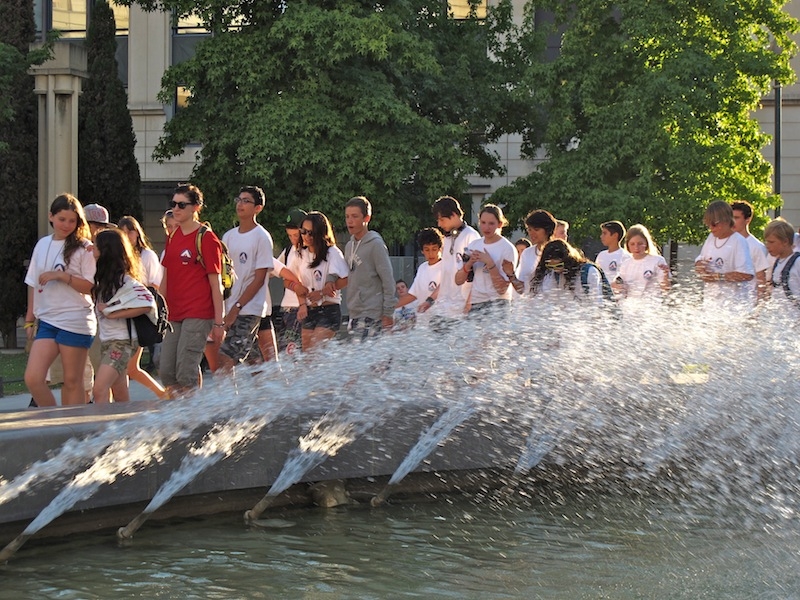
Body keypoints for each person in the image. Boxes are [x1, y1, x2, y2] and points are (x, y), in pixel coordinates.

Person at [23, 194, 96, 407]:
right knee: (33, 378)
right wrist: (29, 319)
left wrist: (63, 276)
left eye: (72, 221)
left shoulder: (84, 248)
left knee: (72, 381)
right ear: (51, 217)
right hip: (47, 320)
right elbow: (33, 283)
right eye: (62, 219)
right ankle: (54, 422)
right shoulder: (43, 244)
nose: (67, 225)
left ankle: (70, 431)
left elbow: (91, 287)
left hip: (75, 319)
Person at [159, 183, 225, 394]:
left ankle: (193, 422)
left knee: (185, 373)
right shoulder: (173, 236)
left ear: (196, 207)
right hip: (174, 313)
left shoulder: (206, 238)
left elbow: (216, 284)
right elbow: (166, 277)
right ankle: (181, 417)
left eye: (181, 205)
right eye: (173, 204)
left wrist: (219, 322)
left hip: (198, 312)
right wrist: (160, 312)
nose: (176, 209)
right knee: (167, 372)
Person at [91, 229, 154, 403]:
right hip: (108, 341)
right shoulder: (103, 281)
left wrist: (114, 313)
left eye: (95, 246)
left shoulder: (125, 281)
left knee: (99, 389)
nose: (92, 249)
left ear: (105, 251)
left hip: (122, 343)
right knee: (119, 393)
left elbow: (147, 303)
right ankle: (125, 425)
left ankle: (101, 428)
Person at [218, 186, 275, 369]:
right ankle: (264, 392)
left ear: (258, 208)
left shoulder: (262, 237)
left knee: (226, 357)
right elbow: (223, 274)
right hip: (229, 306)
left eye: (246, 201)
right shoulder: (228, 236)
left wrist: (236, 308)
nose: (240, 204)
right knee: (255, 362)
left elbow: (258, 279)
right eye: (239, 199)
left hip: (249, 309)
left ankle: (228, 398)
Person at [118, 215, 166, 398]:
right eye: (123, 231)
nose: (128, 235)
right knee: (127, 367)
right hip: (122, 314)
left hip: (140, 314)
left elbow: (155, 285)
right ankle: (162, 393)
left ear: (138, 233)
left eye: (131, 230)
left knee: (129, 366)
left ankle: (162, 393)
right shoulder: (120, 257)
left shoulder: (147, 255)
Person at [344, 196, 396, 339]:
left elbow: (388, 279)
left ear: (366, 218)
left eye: (355, 216)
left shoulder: (375, 244)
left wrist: (388, 312)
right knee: (366, 360)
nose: (350, 221)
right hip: (354, 312)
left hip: (372, 313)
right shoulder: (349, 246)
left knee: (362, 360)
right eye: (347, 216)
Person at [296, 211, 349, 351]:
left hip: (329, 309)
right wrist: (301, 301)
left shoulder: (332, 252)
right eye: (303, 231)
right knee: (307, 356)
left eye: (311, 233)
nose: (306, 236)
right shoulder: (301, 253)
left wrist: (322, 292)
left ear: (320, 233)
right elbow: (292, 279)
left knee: (315, 353)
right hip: (310, 309)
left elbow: (346, 278)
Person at [455, 204, 517, 313]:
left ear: (500, 224)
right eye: (483, 223)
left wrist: (490, 263)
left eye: (491, 223)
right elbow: (458, 281)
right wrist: (469, 263)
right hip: (476, 302)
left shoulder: (507, 248)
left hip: (498, 303)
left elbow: (501, 289)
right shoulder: (473, 245)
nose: (486, 227)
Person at [695, 200, 755, 308]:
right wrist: (700, 266)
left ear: (726, 221)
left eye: (714, 224)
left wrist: (718, 277)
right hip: (711, 306)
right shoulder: (710, 238)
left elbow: (747, 274)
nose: (711, 228)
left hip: (733, 307)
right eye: (708, 224)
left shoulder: (738, 241)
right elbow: (700, 259)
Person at [432, 196, 480, 319]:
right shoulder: (447, 239)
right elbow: (446, 275)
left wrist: (469, 305)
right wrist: (430, 300)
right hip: (441, 308)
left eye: (442, 220)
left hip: (460, 310)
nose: (439, 224)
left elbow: (477, 276)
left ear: (453, 215)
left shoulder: (471, 236)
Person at [530, 239, 604, 305]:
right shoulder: (553, 274)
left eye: (558, 265)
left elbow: (597, 304)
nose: (555, 270)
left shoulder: (589, 272)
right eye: (551, 266)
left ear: (568, 260)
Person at [396, 228, 445, 325]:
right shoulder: (422, 268)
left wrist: (429, 301)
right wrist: (389, 308)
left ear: (440, 248)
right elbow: (413, 295)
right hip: (423, 323)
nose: (431, 253)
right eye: (427, 250)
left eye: (434, 249)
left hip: (441, 320)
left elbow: (445, 285)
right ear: (422, 251)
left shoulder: (446, 266)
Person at [275, 208, 307, 355]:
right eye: (290, 235)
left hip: (300, 308)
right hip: (286, 308)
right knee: (283, 350)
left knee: (292, 351)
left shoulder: (309, 252)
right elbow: (274, 268)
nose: (293, 239)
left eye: (296, 235)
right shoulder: (289, 250)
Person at [614, 224, 670, 300]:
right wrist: (616, 286)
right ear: (627, 245)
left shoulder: (657, 260)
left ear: (646, 243)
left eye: (640, 244)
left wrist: (665, 275)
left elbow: (666, 288)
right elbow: (622, 290)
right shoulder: (625, 263)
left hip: (651, 306)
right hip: (631, 307)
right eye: (632, 244)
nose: (636, 248)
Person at [731, 200, 770, 303]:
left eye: (736, 218)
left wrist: (757, 308)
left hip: (747, 304)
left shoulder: (757, 247)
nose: (732, 221)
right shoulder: (727, 243)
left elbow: (762, 279)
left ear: (747, 219)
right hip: (727, 304)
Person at [513, 209, 557, 294]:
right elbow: (521, 289)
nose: (532, 233)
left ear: (547, 230)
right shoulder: (527, 253)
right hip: (532, 304)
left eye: (536, 229)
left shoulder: (558, 252)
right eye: (529, 230)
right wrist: (510, 274)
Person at [763, 218, 800, 314]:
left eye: (771, 242)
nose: (767, 245)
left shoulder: (797, 262)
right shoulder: (776, 263)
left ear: (785, 242)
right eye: (766, 242)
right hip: (779, 320)